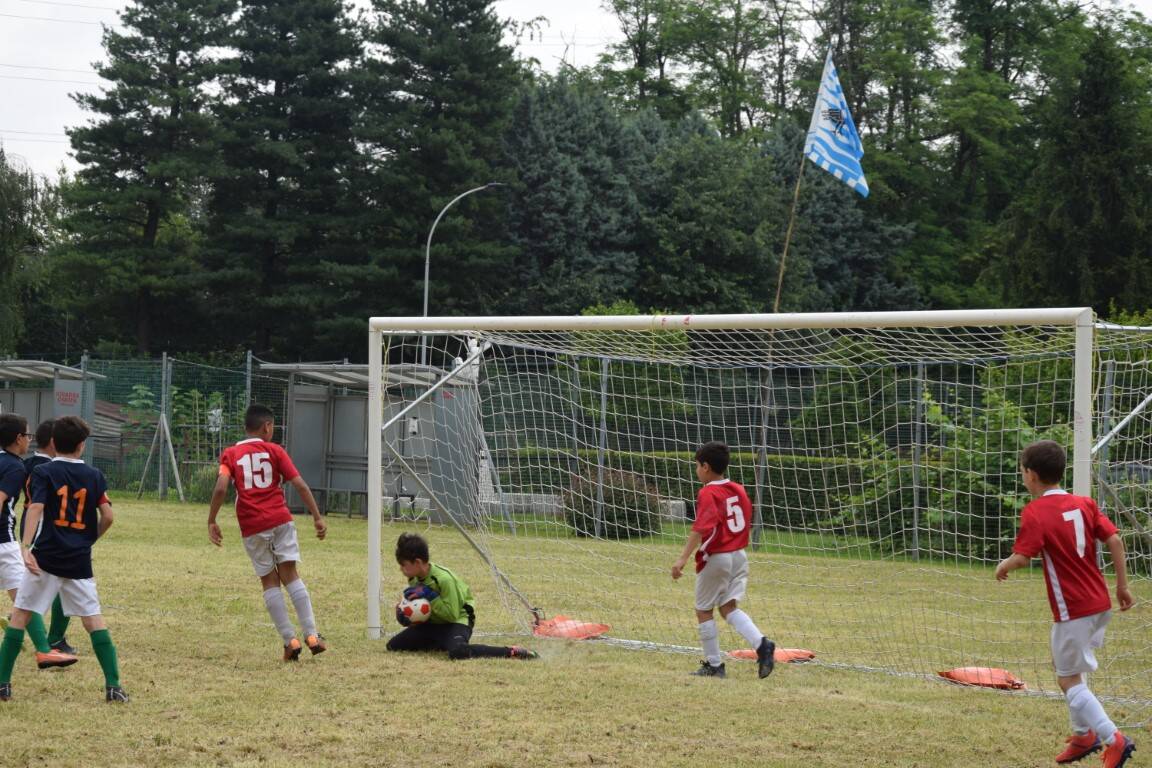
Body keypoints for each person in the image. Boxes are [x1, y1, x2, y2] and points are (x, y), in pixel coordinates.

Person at [995, 440, 1135, 768]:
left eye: (1022, 471)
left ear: (1030, 475)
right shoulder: (1083, 503)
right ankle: (1082, 735)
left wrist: (1003, 565)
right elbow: (1115, 539)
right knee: (1069, 669)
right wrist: (1122, 587)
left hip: (1074, 608)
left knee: (1067, 679)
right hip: (1099, 602)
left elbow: (1023, 557)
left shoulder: (1036, 511)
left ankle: (1113, 738)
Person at [0, 416, 123, 703]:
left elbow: (36, 508)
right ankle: (114, 687)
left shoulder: (44, 472)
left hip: (45, 557)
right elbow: (108, 516)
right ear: (82, 445)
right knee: (93, 621)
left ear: (53, 443)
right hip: (78, 561)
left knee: (20, 616)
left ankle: (3, 685)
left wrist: (26, 545)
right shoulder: (94, 475)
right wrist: (88, 540)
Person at [208, 404, 328, 661]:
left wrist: (212, 520)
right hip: (280, 519)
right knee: (290, 574)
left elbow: (220, 488)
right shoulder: (275, 450)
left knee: (269, 580)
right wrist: (317, 517)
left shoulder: (230, 454)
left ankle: (290, 640)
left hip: (252, 525)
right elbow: (300, 484)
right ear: (267, 427)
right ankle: (312, 635)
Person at [672, 440, 775, 679]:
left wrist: (682, 559)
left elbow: (700, 527)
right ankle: (762, 644)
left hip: (718, 557)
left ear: (705, 467)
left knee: (703, 610)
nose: (696, 470)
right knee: (728, 608)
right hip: (739, 555)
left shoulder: (708, 492)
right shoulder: (738, 489)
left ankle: (714, 665)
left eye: (697, 466)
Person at [0, 413, 78, 675]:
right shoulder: (14, 467)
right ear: (18, 438)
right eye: (27, 434)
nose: (30, 440)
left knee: (24, 598)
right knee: (26, 598)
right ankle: (44, 650)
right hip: (4, 544)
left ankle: (44, 648)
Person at [386, 532, 538, 661]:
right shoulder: (413, 578)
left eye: (403, 565)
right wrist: (405, 614)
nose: (401, 569)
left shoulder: (444, 579)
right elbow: (420, 609)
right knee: (393, 646)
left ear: (417, 562)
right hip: (434, 625)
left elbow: (451, 615)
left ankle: (511, 651)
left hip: (458, 621)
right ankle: (442, 642)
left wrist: (431, 596)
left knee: (458, 652)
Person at [23, 419, 75, 655]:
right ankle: (52, 640)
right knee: (58, 582)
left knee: (38, 583)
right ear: (55, 442)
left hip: (29, 526)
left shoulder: (25, 464)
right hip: (47, 530)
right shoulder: (50, 470)